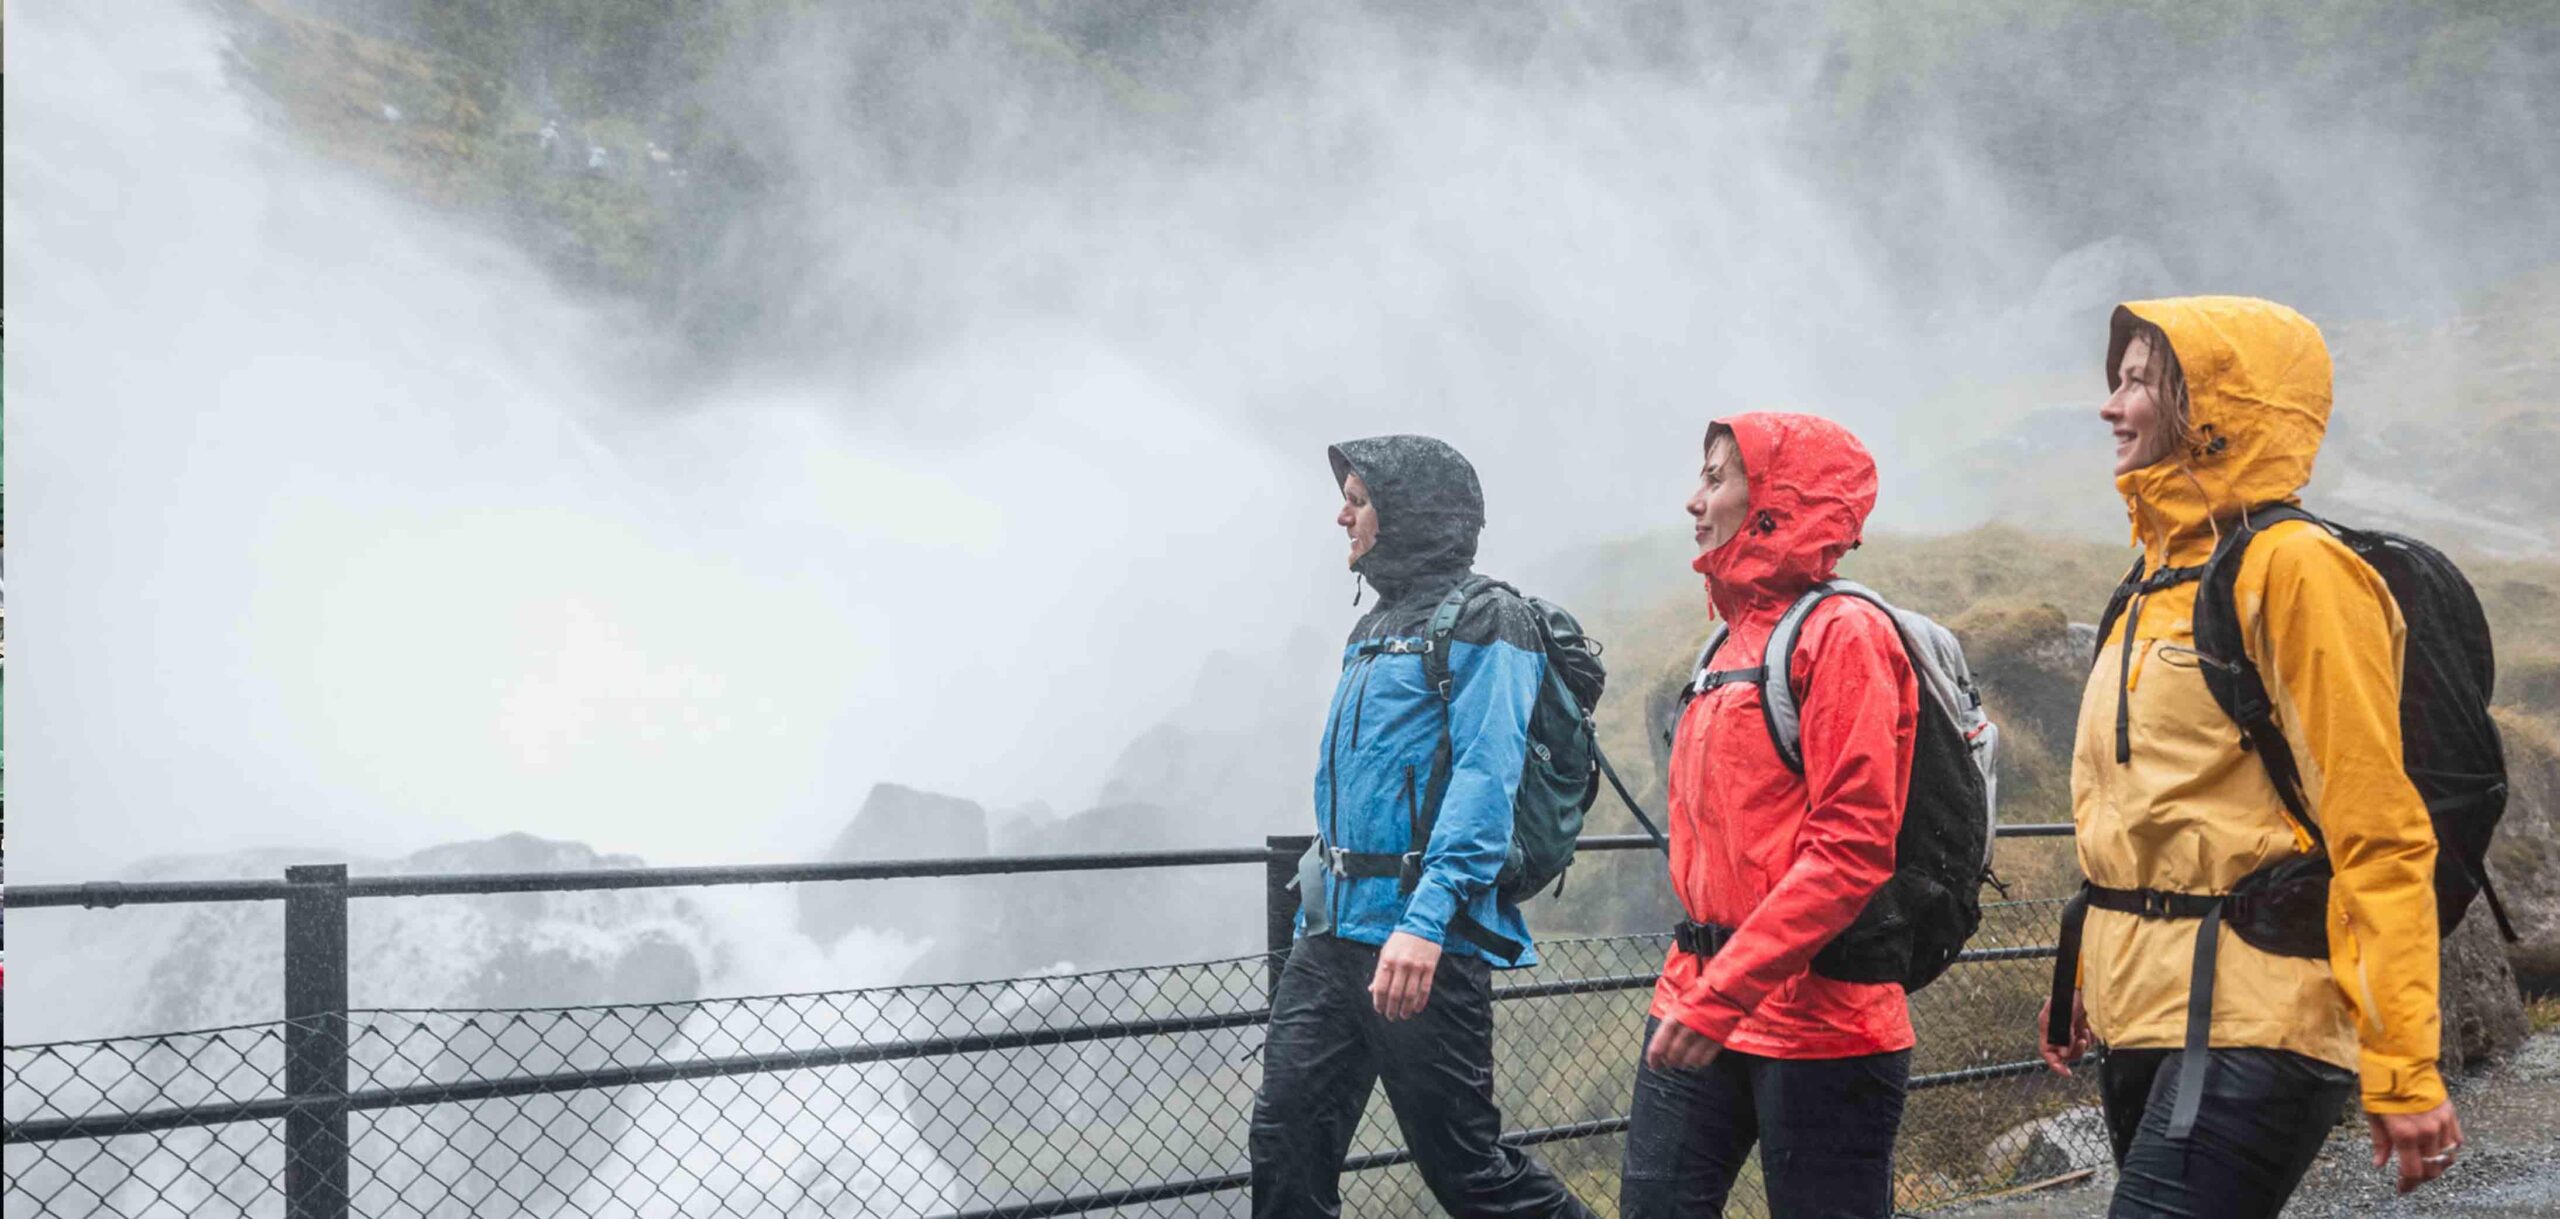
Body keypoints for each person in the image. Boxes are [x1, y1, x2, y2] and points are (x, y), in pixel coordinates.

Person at [2038, 296, 2461, 1214]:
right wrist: (2085, 972)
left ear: (2214, 407)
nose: (2111, 406)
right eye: (2117, 380)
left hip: (2257, 1012)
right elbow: (2151, 814)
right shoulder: (2149, 582)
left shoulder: (2296, 567)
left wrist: (2403, 1059)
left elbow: (2378, 829)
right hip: (2148, 1012)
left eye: (2140, 381)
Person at [1249, 435, 1595, 1219]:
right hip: (1330, 937)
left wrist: (1428, 920)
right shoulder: (1371, 628)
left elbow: (1486, 779)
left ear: (1409, 513)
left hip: (1420, 943)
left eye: (1361, 499)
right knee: (1284, 1145)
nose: (1343, 514)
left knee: (1468, 1170)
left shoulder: (1487, 619)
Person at [1621, 412, 1917, 1219]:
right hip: (1698, 988)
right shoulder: (1722, 645)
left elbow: (1851, 848)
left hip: (1824, 1023)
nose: (1694, 499)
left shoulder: (1843, 633)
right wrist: (1709, 992)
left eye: (1717, 478)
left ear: (1776, 500)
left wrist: (1725, 992)